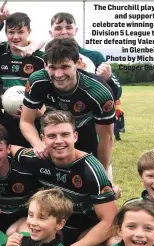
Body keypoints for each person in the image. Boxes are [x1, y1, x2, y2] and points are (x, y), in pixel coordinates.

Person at [0, 111, 118, 246]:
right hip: (52, 225)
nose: (58, 141)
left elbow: (111, 220)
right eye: (52, 136)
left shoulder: (91, 168)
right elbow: (10, 149)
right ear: (43, 139)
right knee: (23, 235)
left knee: (112, 244)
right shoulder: (38, 158)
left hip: (84, 228)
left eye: (65, 135)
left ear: (75, 136)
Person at [20, 37, 115, 175]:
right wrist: (39, 145)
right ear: (45, 65)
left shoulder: (98, 92)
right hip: (53, 136)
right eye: (52, 67)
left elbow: (107, 139)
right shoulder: (37, 81)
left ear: (78, 63)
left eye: (65, 66)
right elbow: (26, 121)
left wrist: (101, 173)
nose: (58, 75)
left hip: (86, 136)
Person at [48, 12, 122, 101]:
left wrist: (108, 78)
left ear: (76, 30)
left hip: (88, 112)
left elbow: (117, 94)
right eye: (58, 28)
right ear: (50, 32)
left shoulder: (95, 56)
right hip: (54, 112)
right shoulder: (44, 58)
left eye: (69, 28)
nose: (64, 32)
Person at [0, 12, 45, 146]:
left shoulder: (40, 59)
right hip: (9, 119)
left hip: (35, 118)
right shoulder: (1, 57)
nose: (15, 36)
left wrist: (40, 113)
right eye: (11, 32)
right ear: (6, 32)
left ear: (29, 32)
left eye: (20, 32)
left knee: (36, 155)